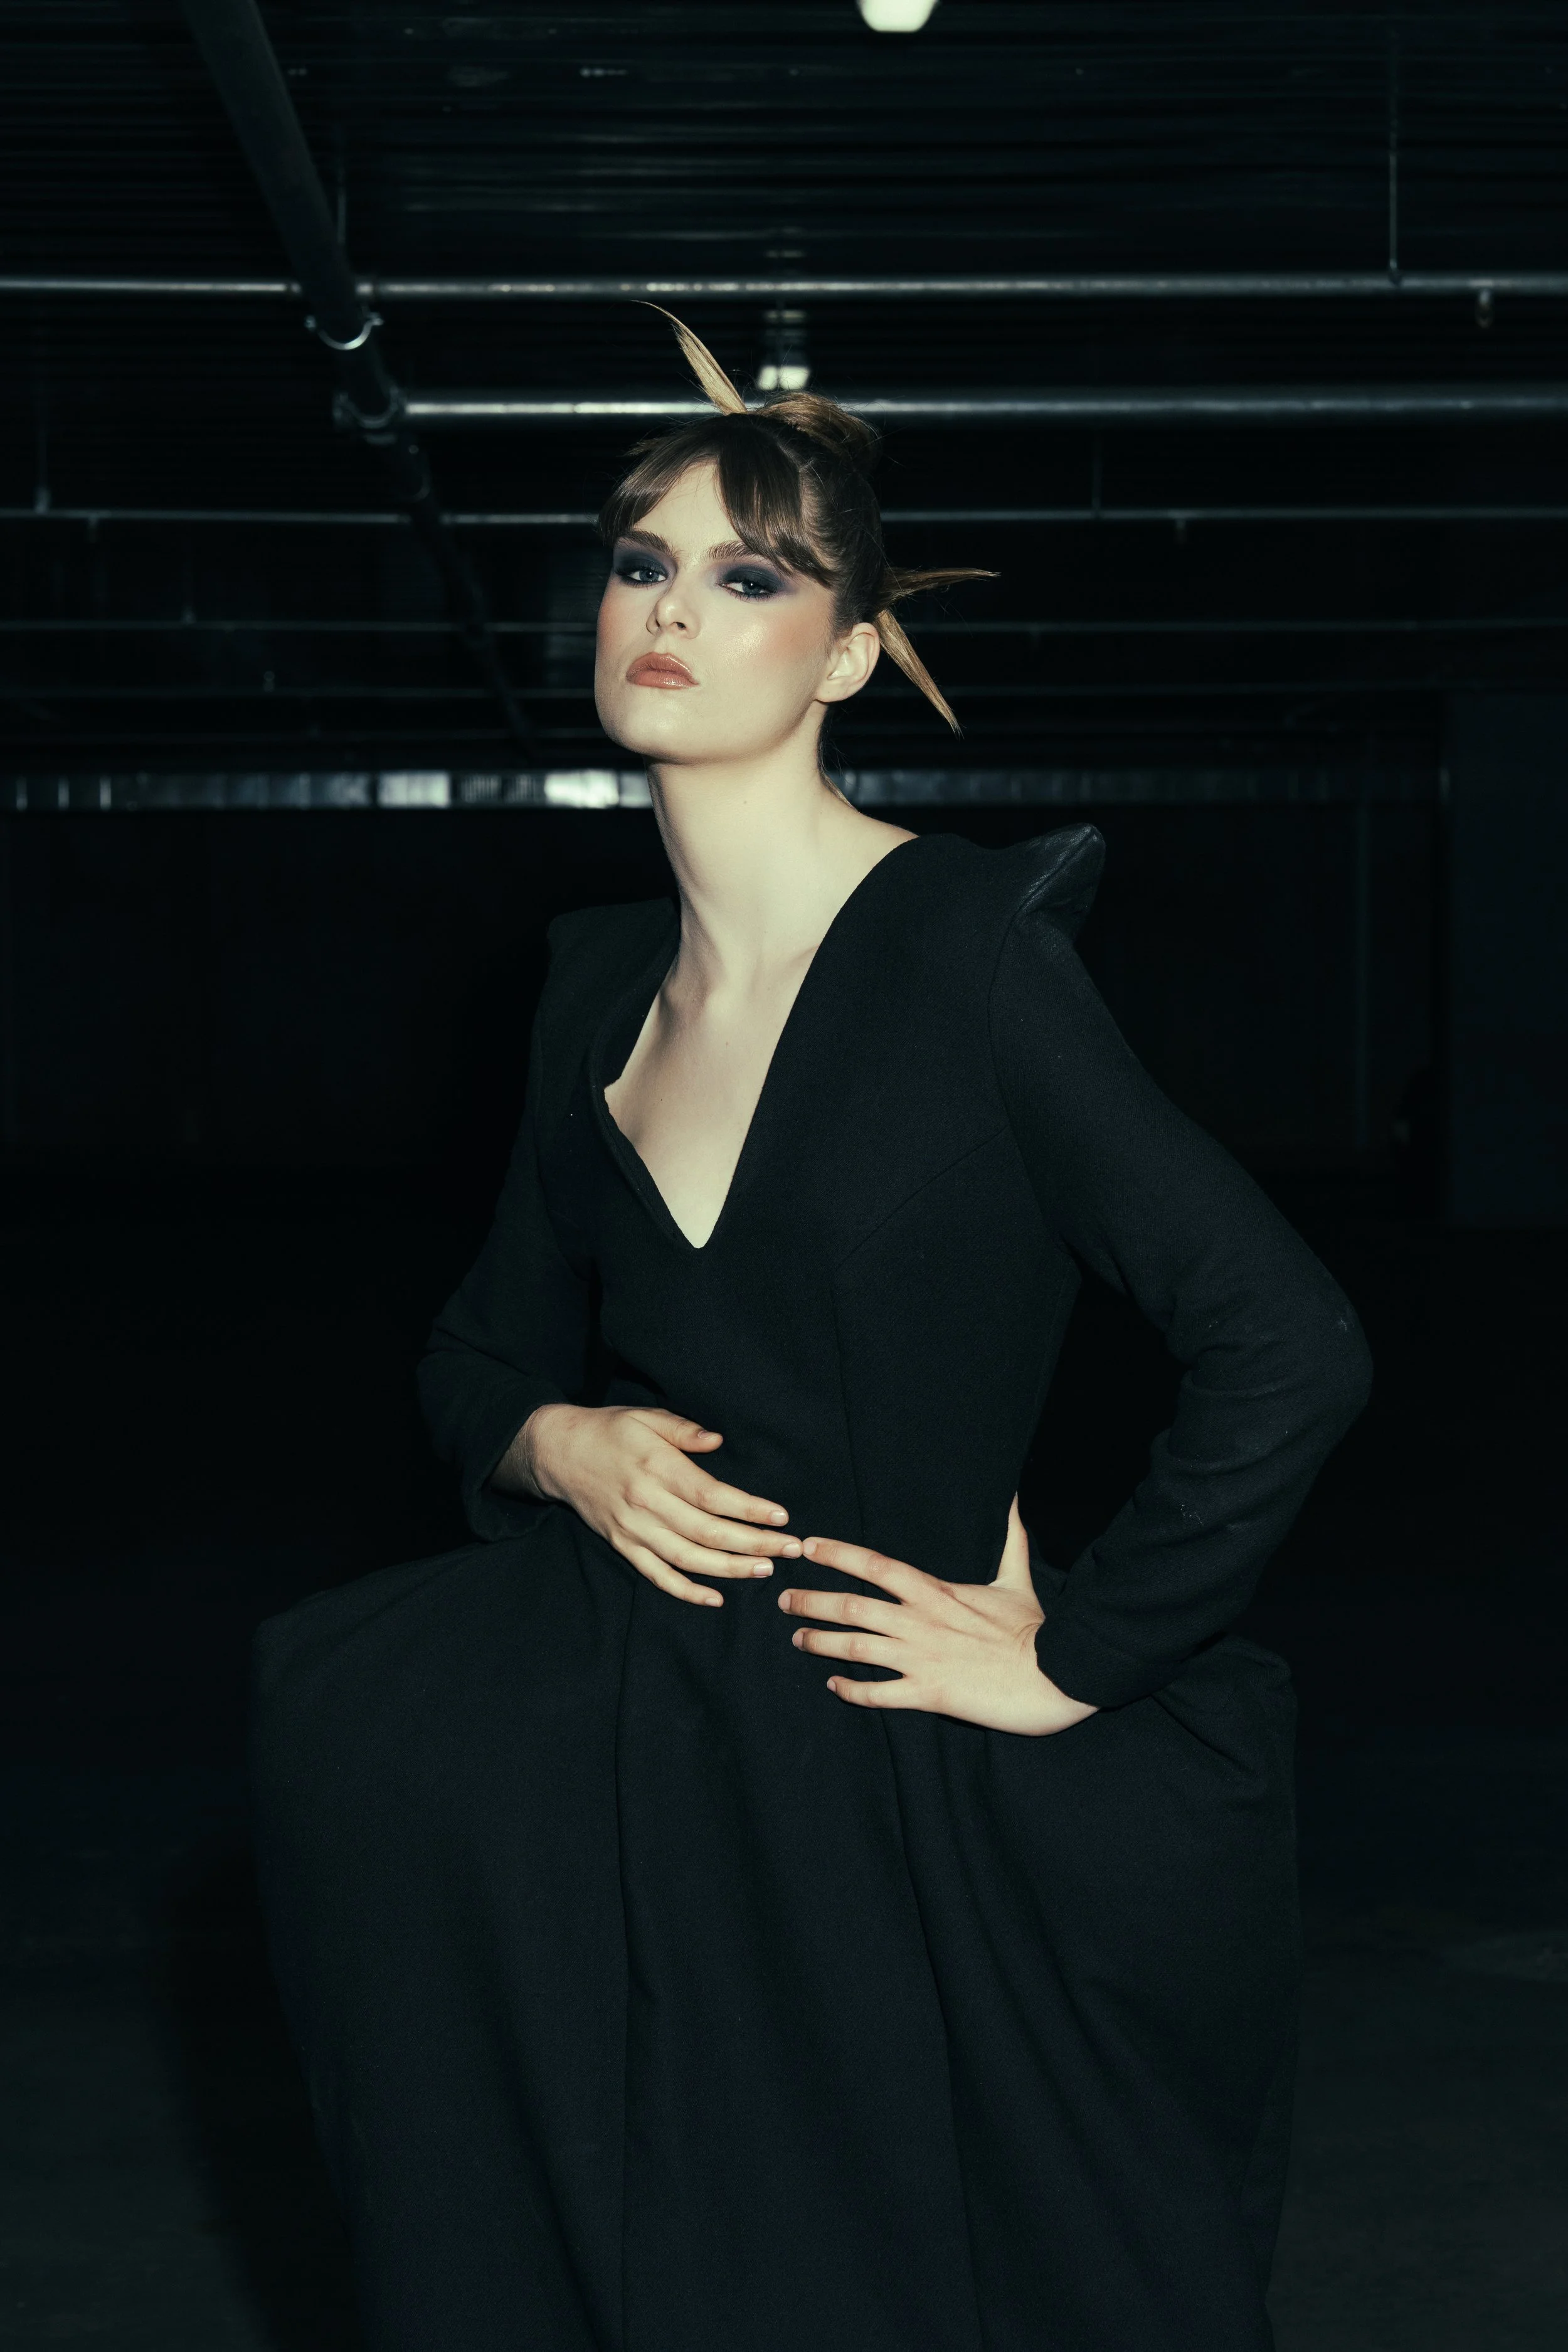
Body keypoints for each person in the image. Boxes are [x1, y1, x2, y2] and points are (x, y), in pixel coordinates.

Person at [252, 315, 1372, 2352]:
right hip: (633, 1759)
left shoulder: (961, 954)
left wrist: (1080, 1652)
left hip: (874, 1777)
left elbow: (1284, 1337)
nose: (671, 609)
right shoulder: (591, 988)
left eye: (746, 574)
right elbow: (471, 1360)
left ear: (847, 653)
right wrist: (561, 1444)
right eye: (641, 563)